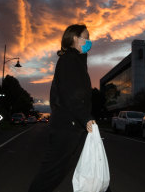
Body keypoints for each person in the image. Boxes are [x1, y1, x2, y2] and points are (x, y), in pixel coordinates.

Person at [28, 24, 97, 192]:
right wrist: (86, 118)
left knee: (94, 167)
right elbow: (71, 95)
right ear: (75, 38)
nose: (89, 41)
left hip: (75, 126)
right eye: (86, 37)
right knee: (52, 173)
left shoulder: (77, 61)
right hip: (67, 127)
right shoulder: (69, 61)